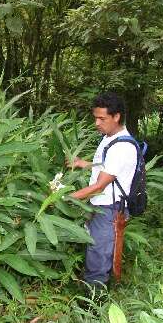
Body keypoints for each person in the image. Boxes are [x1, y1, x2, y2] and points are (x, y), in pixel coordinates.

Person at [67, 92, 137, 292]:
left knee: (99, 255)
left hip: (109, 209)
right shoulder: (110, 137)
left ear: (116, 117)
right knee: (94, 249)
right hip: (101, 205)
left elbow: (99, 186)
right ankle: (89, 290)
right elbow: (107, 166)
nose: (96, 123)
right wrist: (84, 164)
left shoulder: (122, 147)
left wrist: (63, 198)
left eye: (102, 118)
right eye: (95, 117)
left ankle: (93, 306)